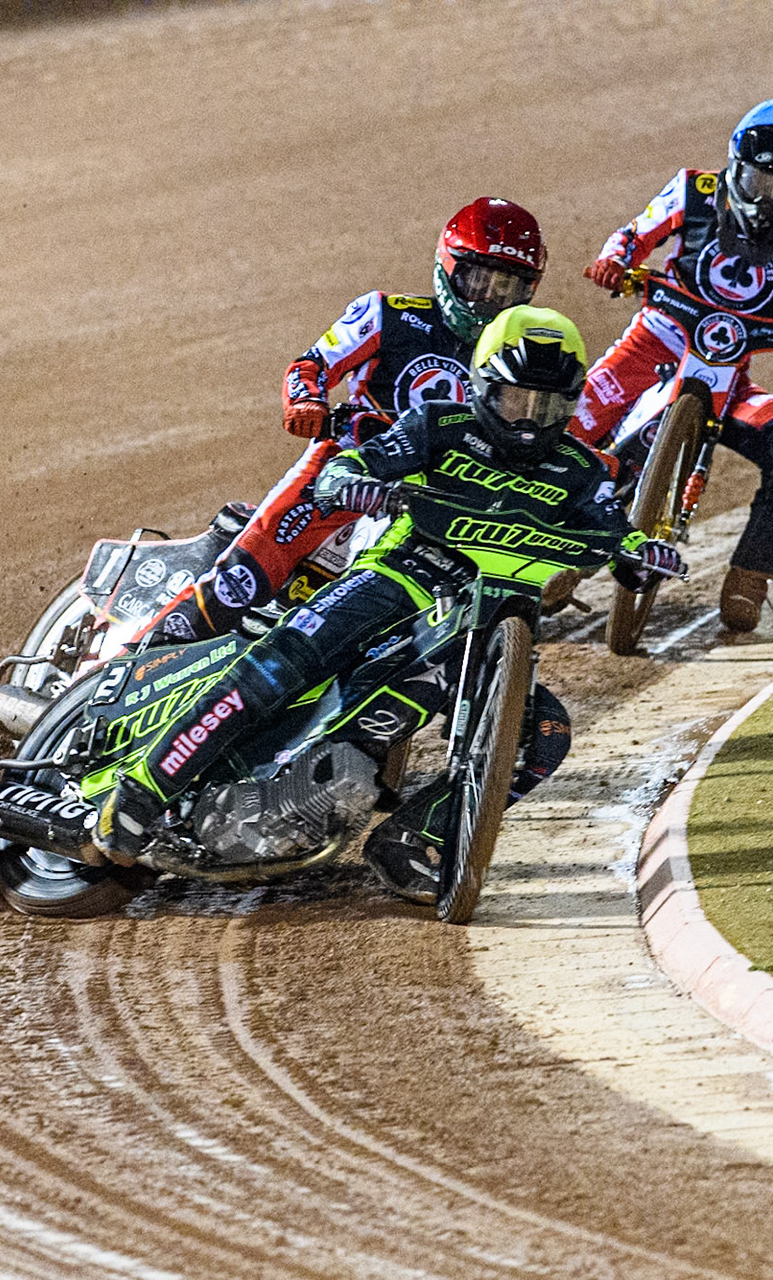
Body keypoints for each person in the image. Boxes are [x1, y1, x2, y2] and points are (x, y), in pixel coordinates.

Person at [95, 307, 684, 901]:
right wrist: (347, 478)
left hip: (494, 614)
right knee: (290, 658)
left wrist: (645, 555)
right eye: (516, 401)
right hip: (402, 575)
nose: (531, 420)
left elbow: (619, 533)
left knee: (548, 733)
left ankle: (406, 837)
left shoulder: (580, 471)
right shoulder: (438, 424)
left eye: (550, 405)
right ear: (483, 387)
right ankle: (145, 786)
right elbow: (360, 460)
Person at [132, 198, 546, 643]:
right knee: (240, 581)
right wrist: (306, 404)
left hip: (431, 499)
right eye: (480, 280)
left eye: (506, 289)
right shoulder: (389, 313)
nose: (488, 300)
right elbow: (310, 365)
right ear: (449, 269)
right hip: (343, 472)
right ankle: (128, 663)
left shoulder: (514, 357)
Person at [570, 98, 773, 631]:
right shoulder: (693, 190)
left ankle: (750, 578)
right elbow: (632, 235)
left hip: (730, 375)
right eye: (759, 181)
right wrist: (614, 262)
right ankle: (552, 560)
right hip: (652, 343)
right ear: (735, 166)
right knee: (568, 432)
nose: (769, 197)